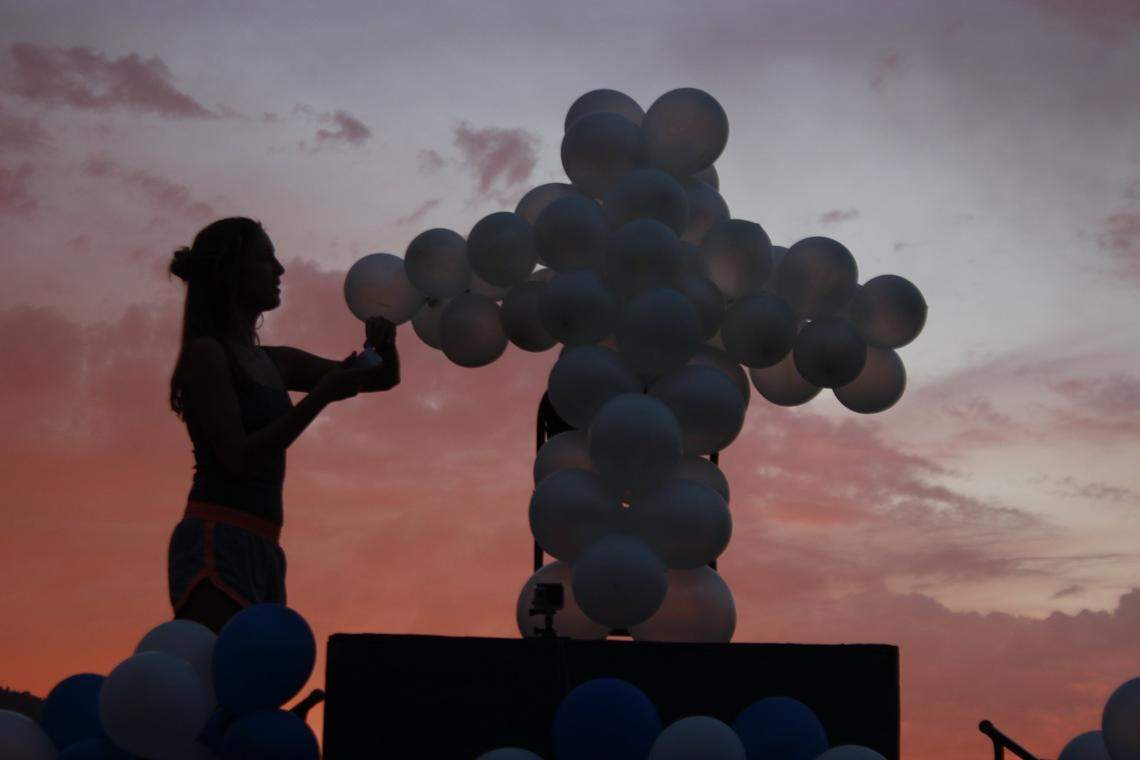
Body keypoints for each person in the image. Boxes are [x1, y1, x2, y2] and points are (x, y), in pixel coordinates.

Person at [166, 216, 399, 634]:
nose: (279, 270)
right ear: (233, 272)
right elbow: (238, 458)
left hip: (265, 544)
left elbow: (380, 378)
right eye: (266, 258)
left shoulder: (276, 361)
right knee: (215, 681)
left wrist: (384, 346)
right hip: (216, 539)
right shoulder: (207, 355)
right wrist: (321, 395)